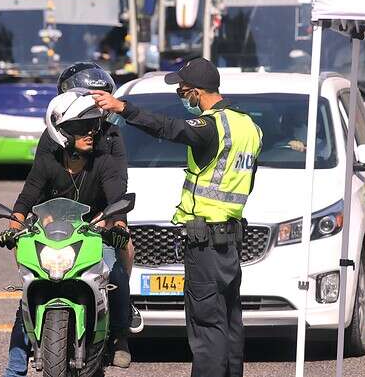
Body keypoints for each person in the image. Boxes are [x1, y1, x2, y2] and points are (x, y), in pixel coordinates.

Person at [91, 57, 263, 377]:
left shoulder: (211, 126)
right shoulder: (249, 127)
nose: (182, 97)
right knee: (229, 319)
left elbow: (168, 128)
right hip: (231, 238)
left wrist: (122, 108)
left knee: (206, 324)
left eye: (183, 91)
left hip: (206, 241)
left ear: (198, 92)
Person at [0, 89, 133, 376]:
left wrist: (119, 227)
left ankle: (121, 334)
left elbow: (116, 200)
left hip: (93, 231)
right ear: (61, 132)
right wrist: (12, 227)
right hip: (52, 235)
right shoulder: (48, 162)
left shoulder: (104, 162)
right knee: (27, 293)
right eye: (80, 128)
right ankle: (14, 367)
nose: (90, 133)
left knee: (116, 272)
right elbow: (26, 199)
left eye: (93, 126)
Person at [35, 62, 144, 335]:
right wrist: (28, 219)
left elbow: (117, 185)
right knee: (31, 279)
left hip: (98, 218)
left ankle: (121, 323)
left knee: (121, 255)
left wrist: (116, 221)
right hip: (54, 218)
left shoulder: (111, 136)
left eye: (98, 100)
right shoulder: (51, 137)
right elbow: (36, 187)